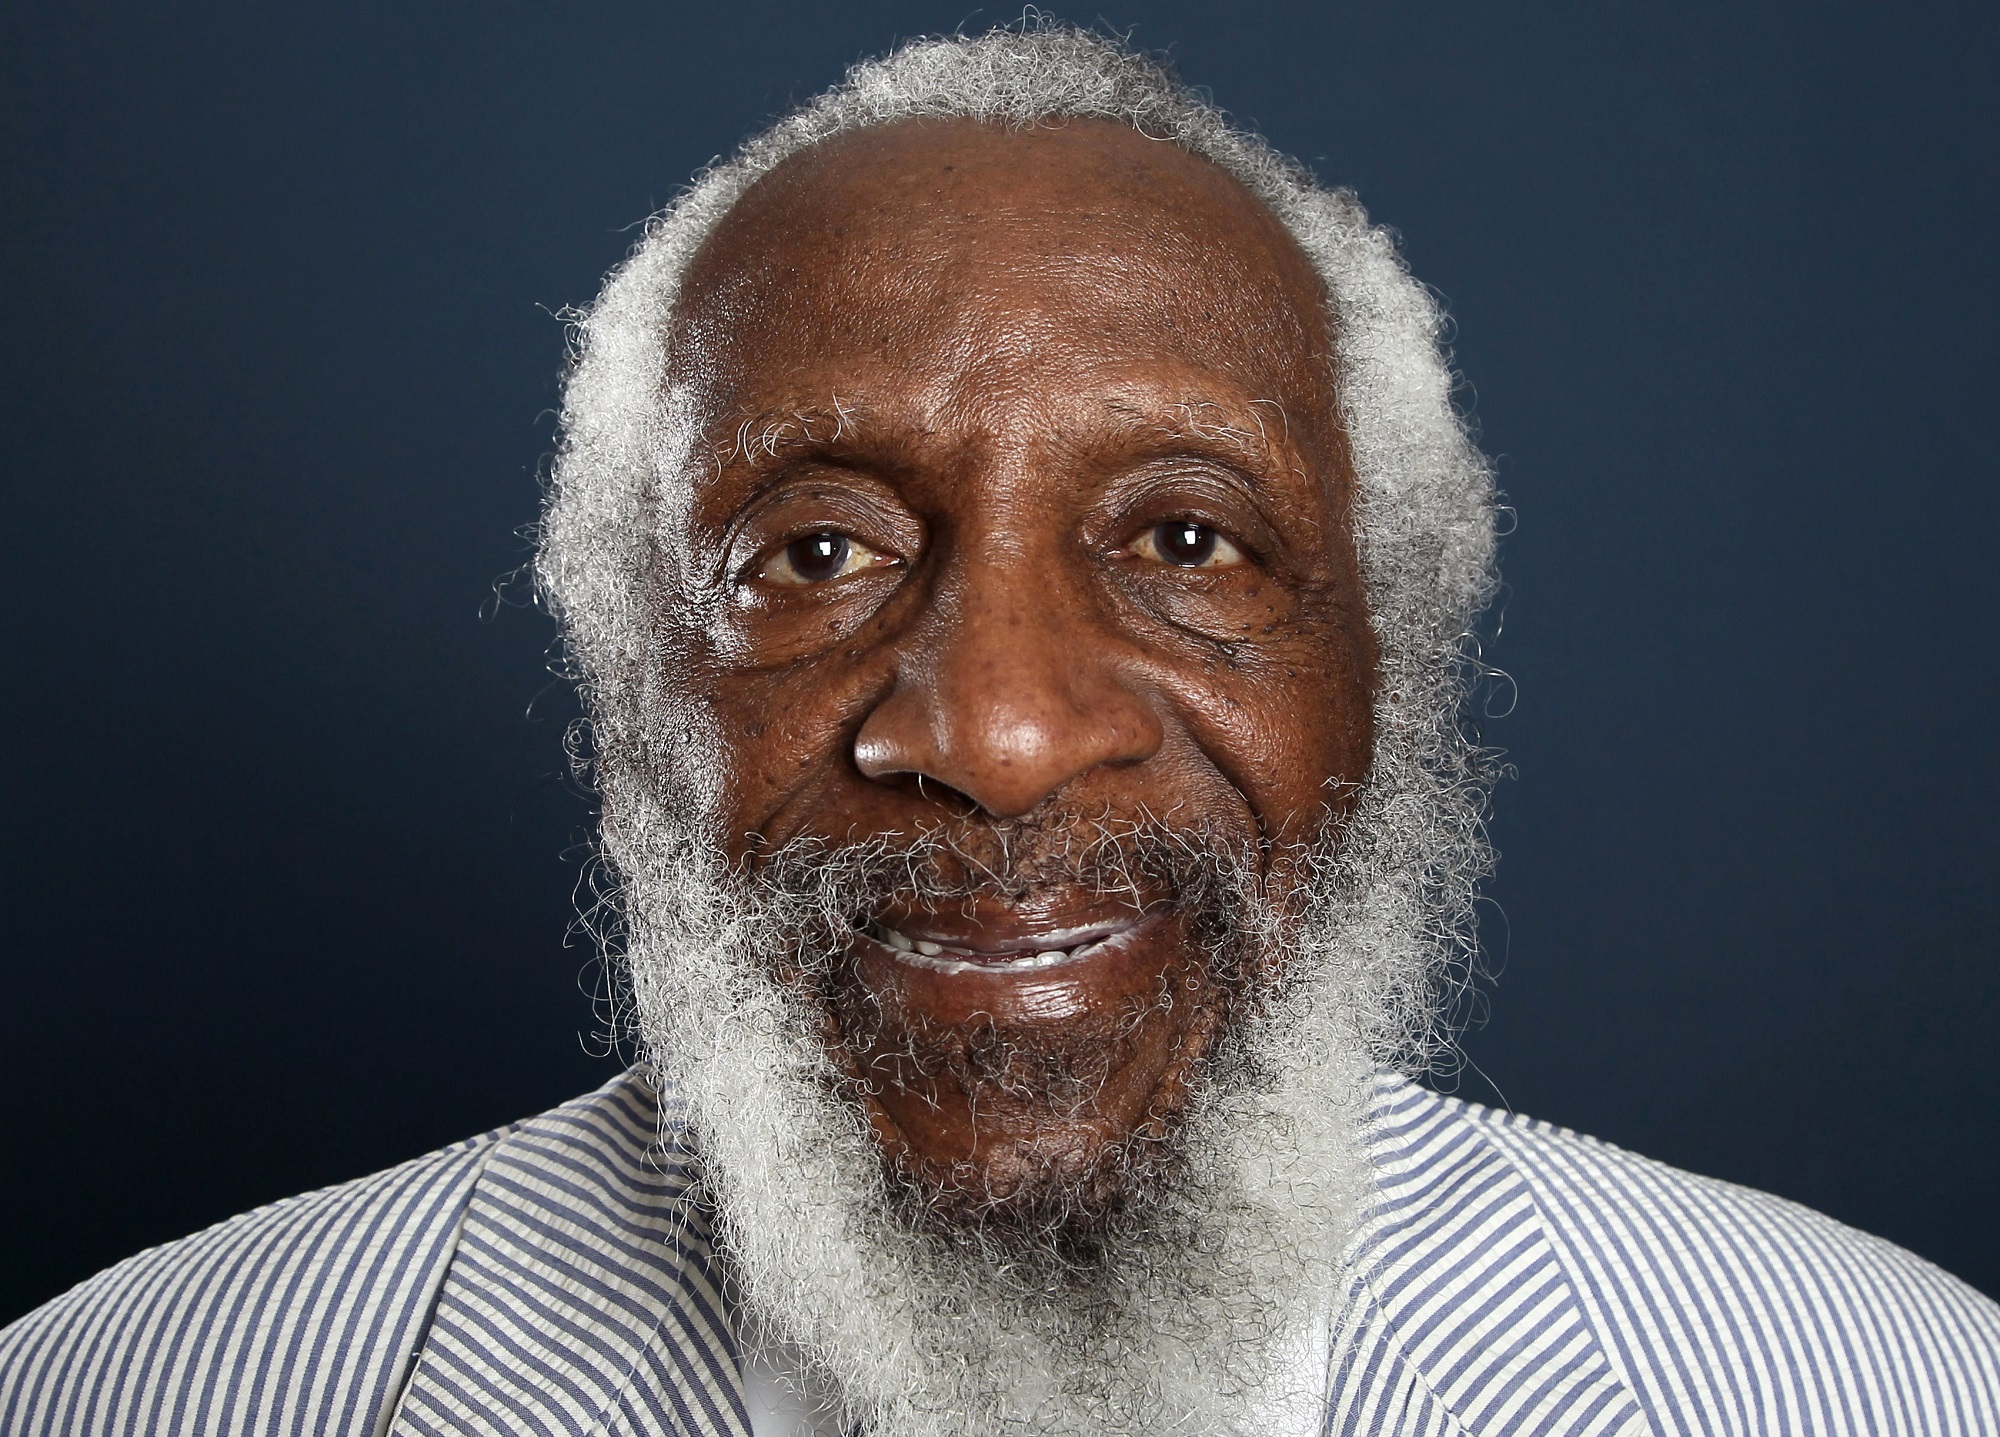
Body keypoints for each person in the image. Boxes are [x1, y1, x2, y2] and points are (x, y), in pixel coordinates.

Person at [4, 23, 1996, 1437]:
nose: (1007, 731)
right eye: (816, 552)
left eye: (1187, 540)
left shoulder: (1883, 1391)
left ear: (1385, 664)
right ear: (629, 671)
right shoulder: (122, 1394)